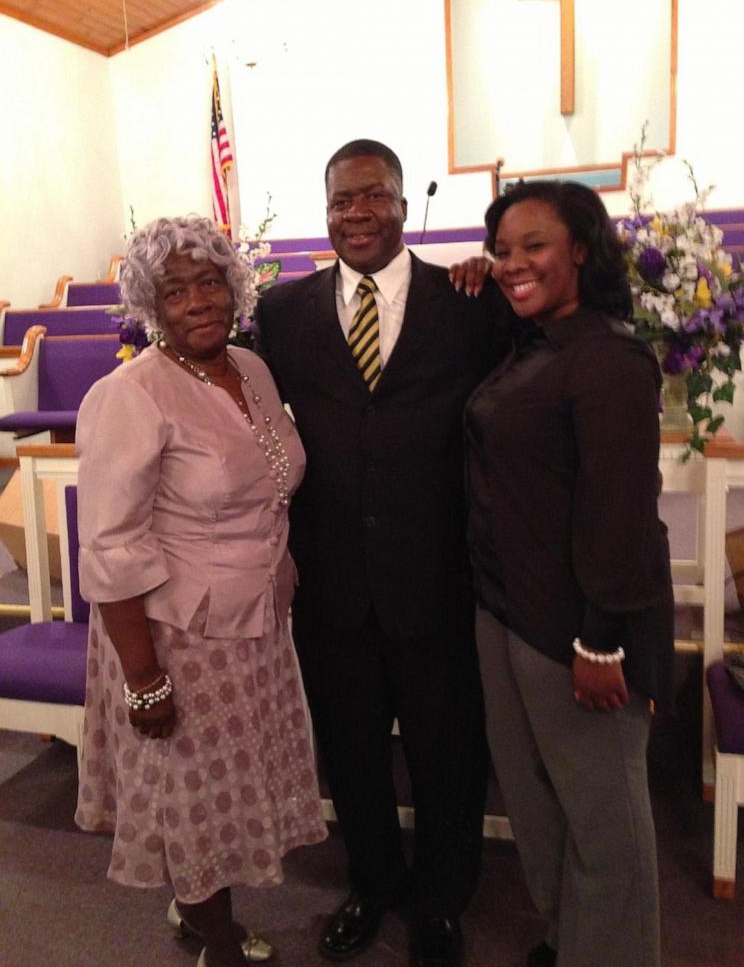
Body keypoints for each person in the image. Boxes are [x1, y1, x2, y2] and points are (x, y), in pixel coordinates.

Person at [255, 139, 515, 967]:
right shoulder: (283, 313)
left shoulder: (469, 301)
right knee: (355, 751)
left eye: (372, 197)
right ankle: (373, 884)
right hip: (332, 583)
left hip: (438, 576)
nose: (355, 214)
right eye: (339, 201)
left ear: (403, 204)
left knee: (448, 751)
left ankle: (441, 902)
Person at [74, 216, 327, 967]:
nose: (198, 302)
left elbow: (270, 484)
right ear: (152, 306)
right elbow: (111, 546)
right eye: (175, 291)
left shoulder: (252, 368)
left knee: (231, 787)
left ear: (234, 286)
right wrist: (143, 679)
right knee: (196, 799)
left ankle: (200, 914)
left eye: (210, 282)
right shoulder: (130, 394)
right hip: (177, 634)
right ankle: (215, 938)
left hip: (257, 619)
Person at [464, 180, 674, 967]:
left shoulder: (610, 357)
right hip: (509, 611)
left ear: (581, 249)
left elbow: (620, 512)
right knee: (539, 810)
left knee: (604, 822)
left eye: (535, 246)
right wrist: (476, 282)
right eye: (504, 249)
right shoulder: (534, 344)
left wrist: (603, 640)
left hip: (581, 631)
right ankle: (570, 942)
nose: (514, 263)